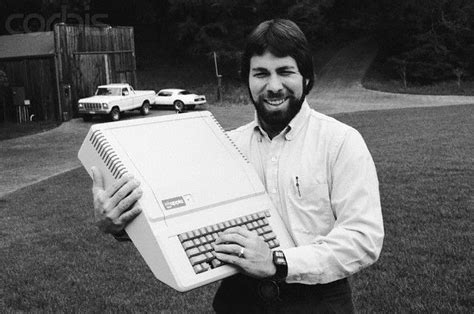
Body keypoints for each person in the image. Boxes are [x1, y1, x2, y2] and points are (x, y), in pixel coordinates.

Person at [91, 19, 384, 313]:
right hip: (238, 299)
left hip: (318, 300)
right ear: (247, 80)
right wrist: (121, 225)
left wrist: (277, 262)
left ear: (306, 78)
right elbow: (179, 216)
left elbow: (363, 238)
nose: (273, 86)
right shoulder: (224, 145)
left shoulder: (340, 142)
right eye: (260, 74)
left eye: (285, 72)